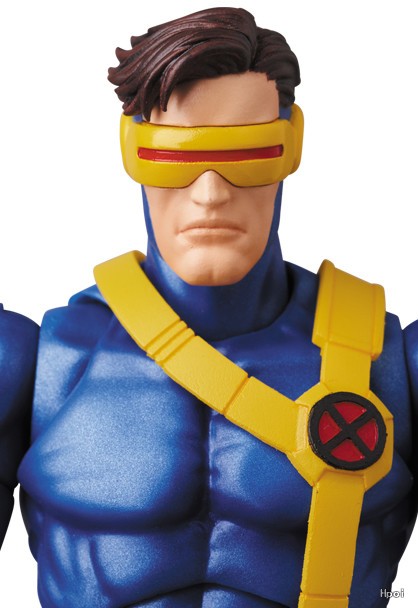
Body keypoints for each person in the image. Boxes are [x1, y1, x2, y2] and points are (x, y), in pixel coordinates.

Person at [13, 7, 418, 608]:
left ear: (291, 146)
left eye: (248, 153)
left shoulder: (397, 367)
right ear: (130, 150)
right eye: (174, 156)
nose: (210, 193)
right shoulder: (34, 365)